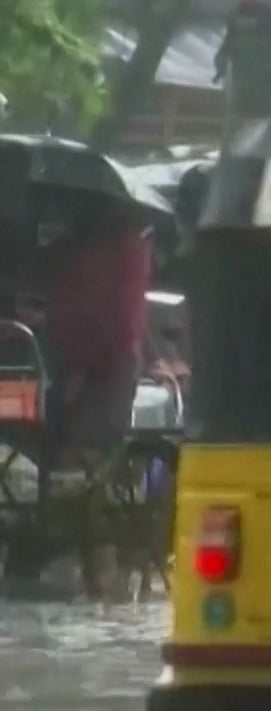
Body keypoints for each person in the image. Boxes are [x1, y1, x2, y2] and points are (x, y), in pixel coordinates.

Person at [46, 206, 153, 599]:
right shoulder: (125, 247)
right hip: (103, 364)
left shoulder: (109, 250)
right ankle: (97, 570)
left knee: (85, 463)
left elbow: (108, 320)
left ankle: (99, 569)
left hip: (101, 369)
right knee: (88, 464)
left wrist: (79, 369)